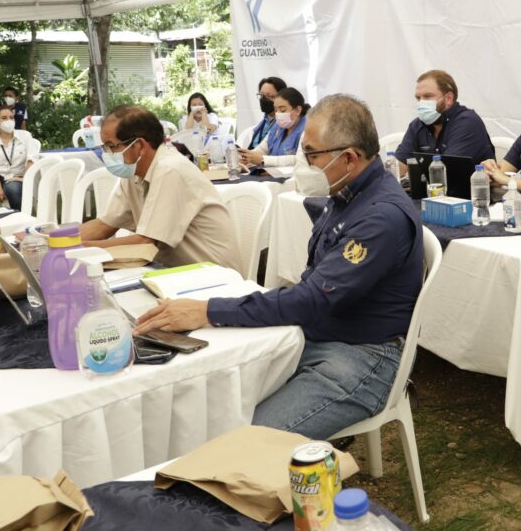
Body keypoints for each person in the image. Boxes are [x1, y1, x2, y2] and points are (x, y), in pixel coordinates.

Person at [134, 94, 424, 440]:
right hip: (319, 336)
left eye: (311, 154)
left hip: (362, 357)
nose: (304, 163)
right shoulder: (347, 194)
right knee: (206, 401)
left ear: (348, 158)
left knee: (241, 443)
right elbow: (310, 292)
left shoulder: (379, 216)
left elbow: (311, 299)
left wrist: (207, 311)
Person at [79, 105, 241, 270]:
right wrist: (59, 242)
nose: (107, 154)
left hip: (212, 277)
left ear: (139, 145)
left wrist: (81, 250)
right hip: (170, 272)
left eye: (112, 146)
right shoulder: (134, 171)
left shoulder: (170, 170)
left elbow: (144, 243)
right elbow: (105, 225)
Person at [394, 70, 494, 175]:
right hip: (431, 190)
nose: (421, 102)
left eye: (427, 96)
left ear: (449, 99)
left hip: (471, 190)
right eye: (418, 98)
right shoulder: (417, 125)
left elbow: (447, 172)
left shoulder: (468, 123)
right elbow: (398, 166)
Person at [0, 105, 39, 206]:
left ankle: (18, 216)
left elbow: (32, 159)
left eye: (11, 117)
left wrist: (24, 178)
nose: (9, 121)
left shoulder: (25, 136)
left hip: (17, 176)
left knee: (12, 189)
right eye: (4, 118)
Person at [239, 87, 309, 168]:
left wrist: (263, 160)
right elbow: (262, 149)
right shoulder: (277, 126)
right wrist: (247, 157)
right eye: (276, 110)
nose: (278, 114)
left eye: (282, 110)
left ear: (298, 110)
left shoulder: (308, 128)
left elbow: (300, 159)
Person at [239, 76, 287, 149]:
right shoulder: (264, 122)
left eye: (269, 96)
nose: (264, 99)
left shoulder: (285, 124)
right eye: (261, 95)